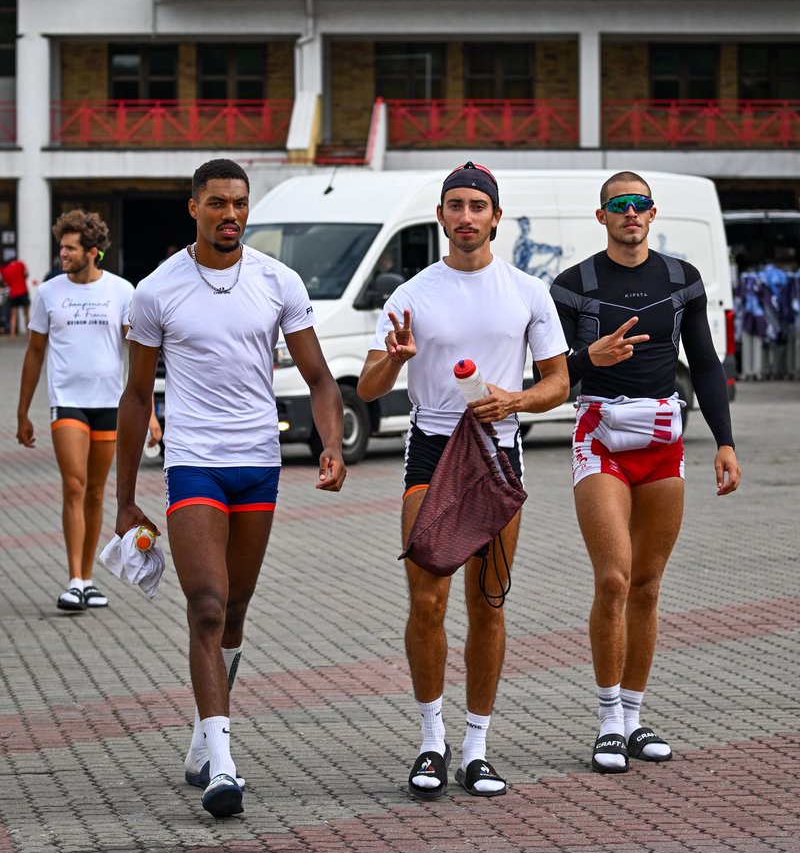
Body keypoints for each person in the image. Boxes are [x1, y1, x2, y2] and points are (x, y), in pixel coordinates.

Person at [115, 158, 346, 819]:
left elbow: (322, 379)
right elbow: (135, 397)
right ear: (194, 207)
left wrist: (330, 445)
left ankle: (200, 734)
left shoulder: (278, 282)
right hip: (193, 463)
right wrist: (125, 497)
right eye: (217, 203)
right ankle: (222, 763)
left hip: (259, 464)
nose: (231, 215)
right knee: (207, 608)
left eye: (240, 204)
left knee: (236, 609)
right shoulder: (156, 291)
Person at [358, 161, 569, 800]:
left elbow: (560, 384)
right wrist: (392, 362)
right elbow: (367, 389)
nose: (467, 216)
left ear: (496, 217)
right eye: (456, 205)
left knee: (489, 602)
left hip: (498, 453)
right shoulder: (411, 295)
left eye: (479, 205)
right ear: (442, 216)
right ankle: (431, 740)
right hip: (431, 449)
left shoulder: (529, 292)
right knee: (426, 600)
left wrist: (514, 400)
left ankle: (476, 745)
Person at [550, 172, 741, 775]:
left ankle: (634, 717)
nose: (630, 214)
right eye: (619, 206)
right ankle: (607, 720)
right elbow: (554, 376)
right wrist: (589, 357)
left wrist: (726, 443)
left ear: (653, 214)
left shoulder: (681, 279)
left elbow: (706, 364)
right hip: (599, 434)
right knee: (613, 579)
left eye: (639, 205)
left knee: (649, 586)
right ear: (601, 216)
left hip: (663, 437)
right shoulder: (573, 285)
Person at [15, 211, 161, 612]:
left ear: (92, 252)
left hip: (110, 405)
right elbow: (34, 354)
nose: (62, 253)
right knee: (75, 485)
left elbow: (139, 355)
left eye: (70, 248)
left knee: (97, 491)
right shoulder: (49, 293)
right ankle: (74, 579)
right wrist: (23, 412)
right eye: (61, 246)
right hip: (68, 402)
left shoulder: (121, 291)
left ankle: (90, 580)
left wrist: (147, 412)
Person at [2, 254, 30, 336]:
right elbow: (26, 274)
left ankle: (12, 334)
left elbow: (5, 282)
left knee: (13, 314)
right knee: (26, 314)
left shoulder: (6, 269)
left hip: (13, 293)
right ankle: (28, 333)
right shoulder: (20, 264)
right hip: (23, 291)